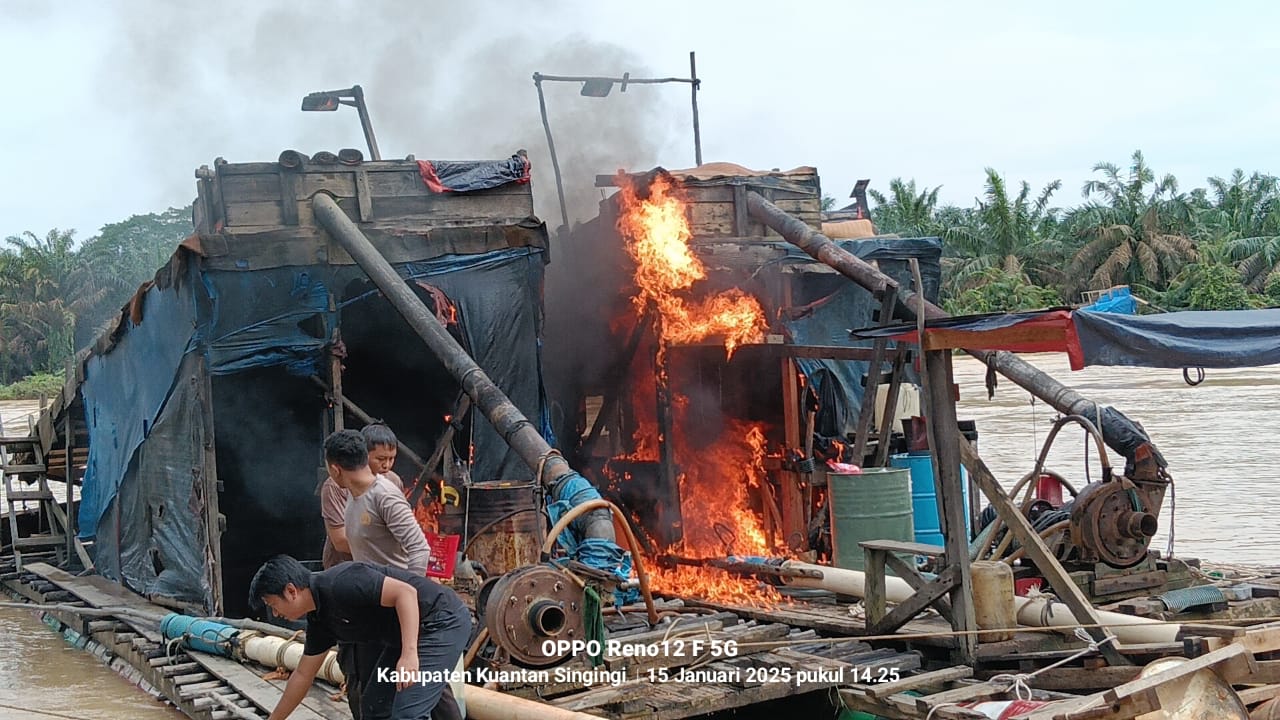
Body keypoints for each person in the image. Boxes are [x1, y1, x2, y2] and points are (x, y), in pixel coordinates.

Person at [250, 555, 470, 720]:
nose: (276, 614)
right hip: (402, 637)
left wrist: (409, 654)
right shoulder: (320, 620)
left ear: (291, 591)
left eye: (273, 605)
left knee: (408, 714)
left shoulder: (342, 582)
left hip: (440, 621)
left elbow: (406, 593)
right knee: (375, 707)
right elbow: (302, 675)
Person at [320, 424, 407, 570]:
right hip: (344, 568)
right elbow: (340, 541)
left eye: (391, 459)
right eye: (380, 459)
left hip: (384, 567)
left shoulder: (393, 480)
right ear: (363, 455)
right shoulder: (336, 486)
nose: (387, 465)